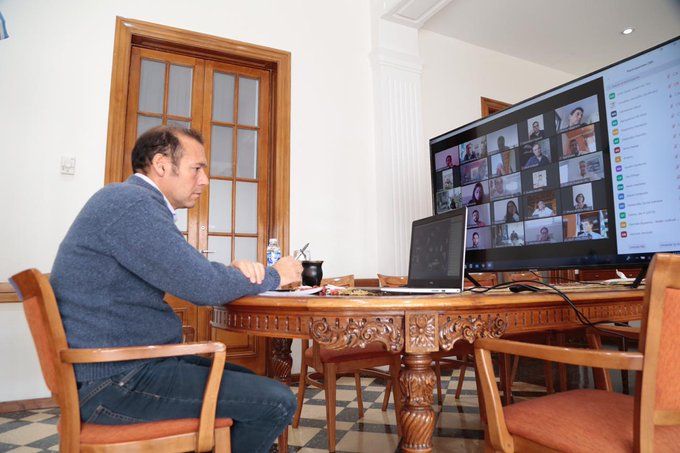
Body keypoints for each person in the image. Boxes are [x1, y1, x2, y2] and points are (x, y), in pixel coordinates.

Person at [49, 126, 303, 453]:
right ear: (161, 165)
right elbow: (203, 284)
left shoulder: (129, 202)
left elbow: (194, 273)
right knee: (277, 401)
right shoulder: (131, 204)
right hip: (116, 380)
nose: (205, 180)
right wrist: (276, 275)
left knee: (253, 385)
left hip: (122, 368)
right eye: (197, 168)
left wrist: (234, 273)